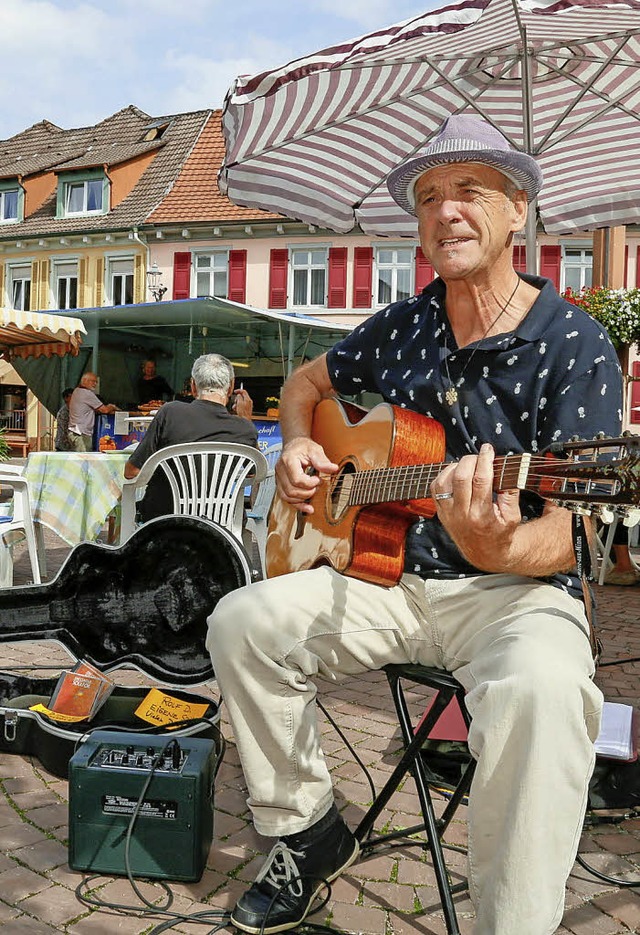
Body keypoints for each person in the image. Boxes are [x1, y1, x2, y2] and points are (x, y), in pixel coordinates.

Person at [205, 114, 624, 935]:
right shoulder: (403, 326)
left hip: (516, 593)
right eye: (428, 197)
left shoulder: (575, 343)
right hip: (388, 580)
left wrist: (499, 541)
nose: (445, 211)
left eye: (469, 190)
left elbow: (574, 536)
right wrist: (296, 446)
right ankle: (307, 828)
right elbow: (301, 383)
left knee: (543, 692)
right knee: (240, 621)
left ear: (517, 211)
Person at [124, 353, 257, 522]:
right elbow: (252, 474)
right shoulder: (244, 428)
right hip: (219, 525)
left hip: (163, 523)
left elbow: (131, 471)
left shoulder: (170, 412)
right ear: (231, 388)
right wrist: (246, 419)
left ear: (193, 386)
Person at [68, 373, 118, 452]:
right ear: (84, 381)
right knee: (84, 460)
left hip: (75, 431)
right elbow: (104, 410)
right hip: (81, 433)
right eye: (93, 381)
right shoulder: (86, 393)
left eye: (96, 382)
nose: (95, 384)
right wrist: (112, 406)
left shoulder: (77, 391)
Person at [54, 387, 74, 451]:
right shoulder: (64, 412)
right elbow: (65, 430)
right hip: (63, 445)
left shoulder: (72, 410)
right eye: (72, 396)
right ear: (66, 398)